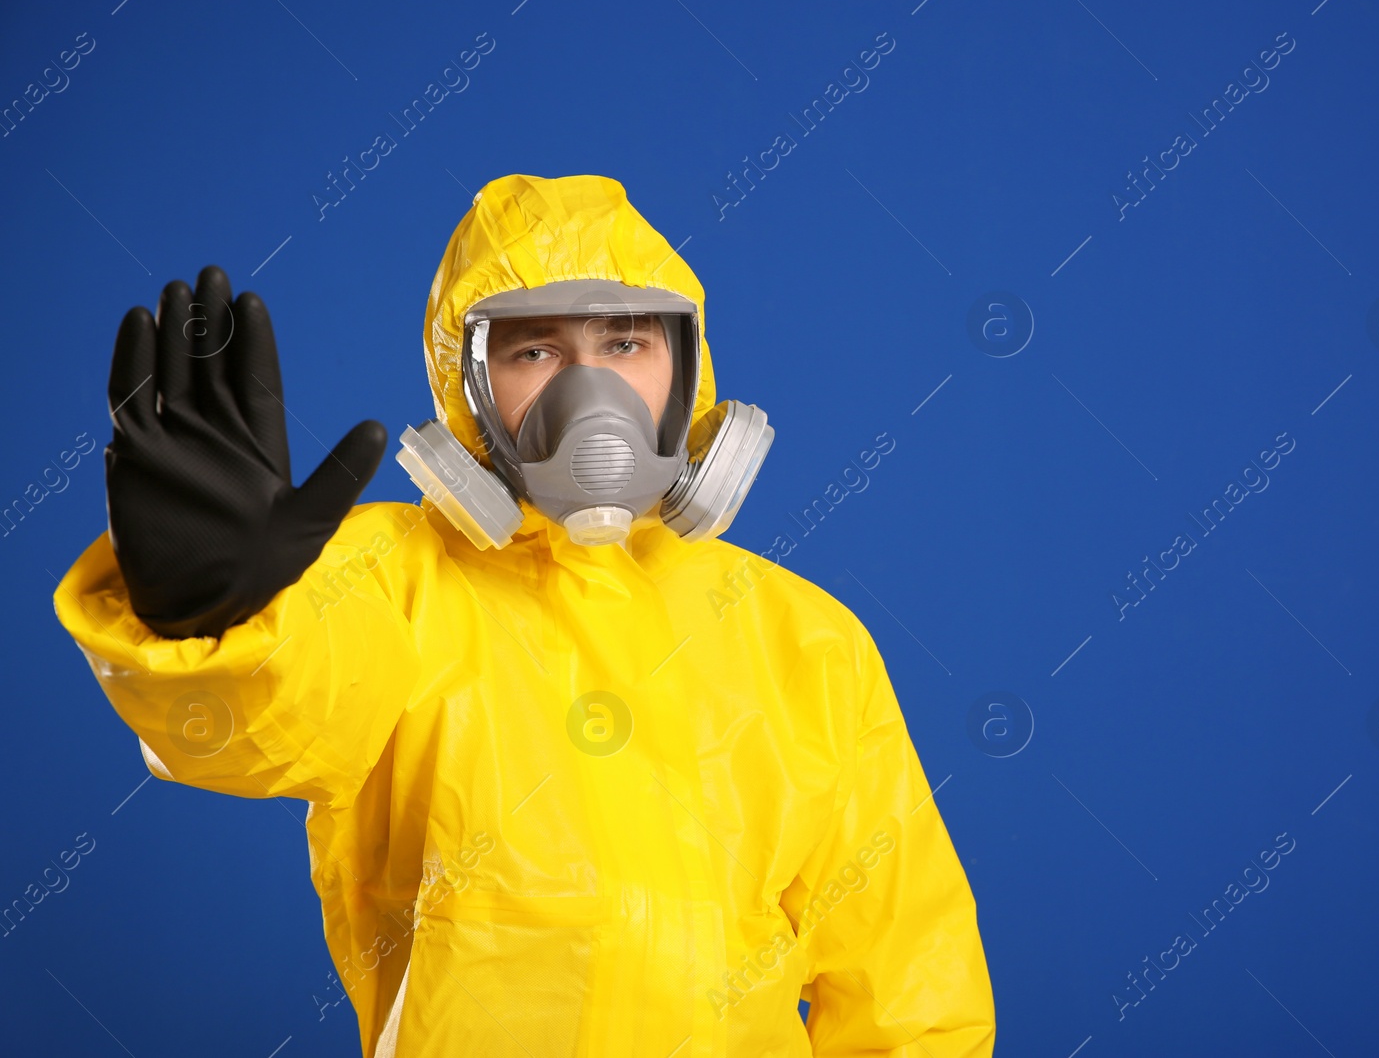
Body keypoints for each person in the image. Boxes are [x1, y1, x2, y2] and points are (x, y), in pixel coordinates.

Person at [54, 173, 995, 1056]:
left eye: (626, 343)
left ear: (689, 364)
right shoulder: (388, 581)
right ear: (467, 387)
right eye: (534, 349)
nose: (590, 394)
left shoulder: (803, 639)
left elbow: (909, 983)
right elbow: (265, 721)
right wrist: (207, 615)